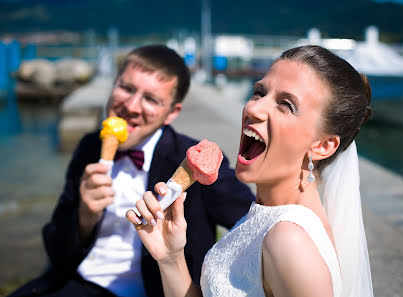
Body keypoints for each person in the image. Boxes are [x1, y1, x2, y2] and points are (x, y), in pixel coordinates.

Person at [126, 45, 375, 297]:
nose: (253, 109)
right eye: (259, 92)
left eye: (286, 105)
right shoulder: (265, 216)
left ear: (322, 146)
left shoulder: (291, 241)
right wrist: (170, 257)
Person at [9, 45, 255, 297]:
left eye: (151, 99)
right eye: (126, 88)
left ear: (172, 112)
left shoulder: (192, 161)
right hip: (75, 282)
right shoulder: (90, 146)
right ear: (113, 84)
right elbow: (55, 248)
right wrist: (84, 217)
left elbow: (254, 226)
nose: (132, 106)